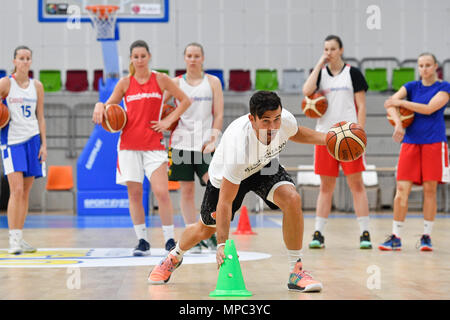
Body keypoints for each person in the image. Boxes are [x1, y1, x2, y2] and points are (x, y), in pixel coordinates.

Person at [148, 90, 325, 292]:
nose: (273, 127)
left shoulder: (284, 121)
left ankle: (296, 270)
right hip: (227, 178)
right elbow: (225, 201)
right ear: (252, 119)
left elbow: (295, 132)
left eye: (276, 119)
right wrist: (222, 245)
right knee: (205, 229)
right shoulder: (239, 146)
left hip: (263, 166)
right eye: (266, 121)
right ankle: (174, 255)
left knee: (292, 199)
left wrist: (328, 139)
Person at [92, 40, 191, 256]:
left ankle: (169, 239)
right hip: (128, 146)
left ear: (149, 56)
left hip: (153, 145)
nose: (139, 60)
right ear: (131, 59)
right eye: (135, 56)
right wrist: (100, 106)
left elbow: (184, 101)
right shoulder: (125, 83)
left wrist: (168, 121)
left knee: (162, 193)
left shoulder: (161, 79)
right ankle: (142, 240)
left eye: (142, 56)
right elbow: (109, 105)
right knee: (135, 194)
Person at [302, 34, 372, 250]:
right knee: (326, 187)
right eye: (326, 49)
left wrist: (359, 133)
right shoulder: (320, 75)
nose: (328, 53)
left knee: (356, 185)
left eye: (332, 49)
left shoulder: (353, 74)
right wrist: (318, 64)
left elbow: (361, 106)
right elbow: (306, 92)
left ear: (341, 50)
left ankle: (365, 233)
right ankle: (319, 233)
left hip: (350, 136)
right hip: (325, 137)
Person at [379, 53, 450, 251]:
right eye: (421, 65)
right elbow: (390, 103)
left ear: (436, 66)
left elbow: (428, 109)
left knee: (430, 190)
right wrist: (398, 124)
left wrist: (401, 104)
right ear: (418, 68)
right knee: (401, 190)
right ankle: (396, 236)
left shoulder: (444, 87)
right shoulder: (411, 86)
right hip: (410, 142)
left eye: (428, 65)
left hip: (434, 143)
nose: (424, 69)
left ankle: (426, 236)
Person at [164, 43, 224, 253]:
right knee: (187, 190)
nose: (192, 59)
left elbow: (219, 114)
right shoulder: (175, 82)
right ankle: (194, 236)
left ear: (203, 58)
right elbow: (161, 107)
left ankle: (211, 232)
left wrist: (214, 138)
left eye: (196, 55)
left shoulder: (213, 82)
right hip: (181, 143)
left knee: (213, 187)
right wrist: (166, 114)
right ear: (184, 58)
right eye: (189, 55)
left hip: (205, 144)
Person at [0, 46, 47, 254]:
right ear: (14, 61)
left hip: (33, 140)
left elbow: (41, 116)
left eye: (28, 58)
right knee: (16, 190)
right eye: (21, 58)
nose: (25, 61)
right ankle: (12, 239)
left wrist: (44, 144)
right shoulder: (5, 83)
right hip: (12, 142)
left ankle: (19, 237)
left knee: (26, 193)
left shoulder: (37, 86)